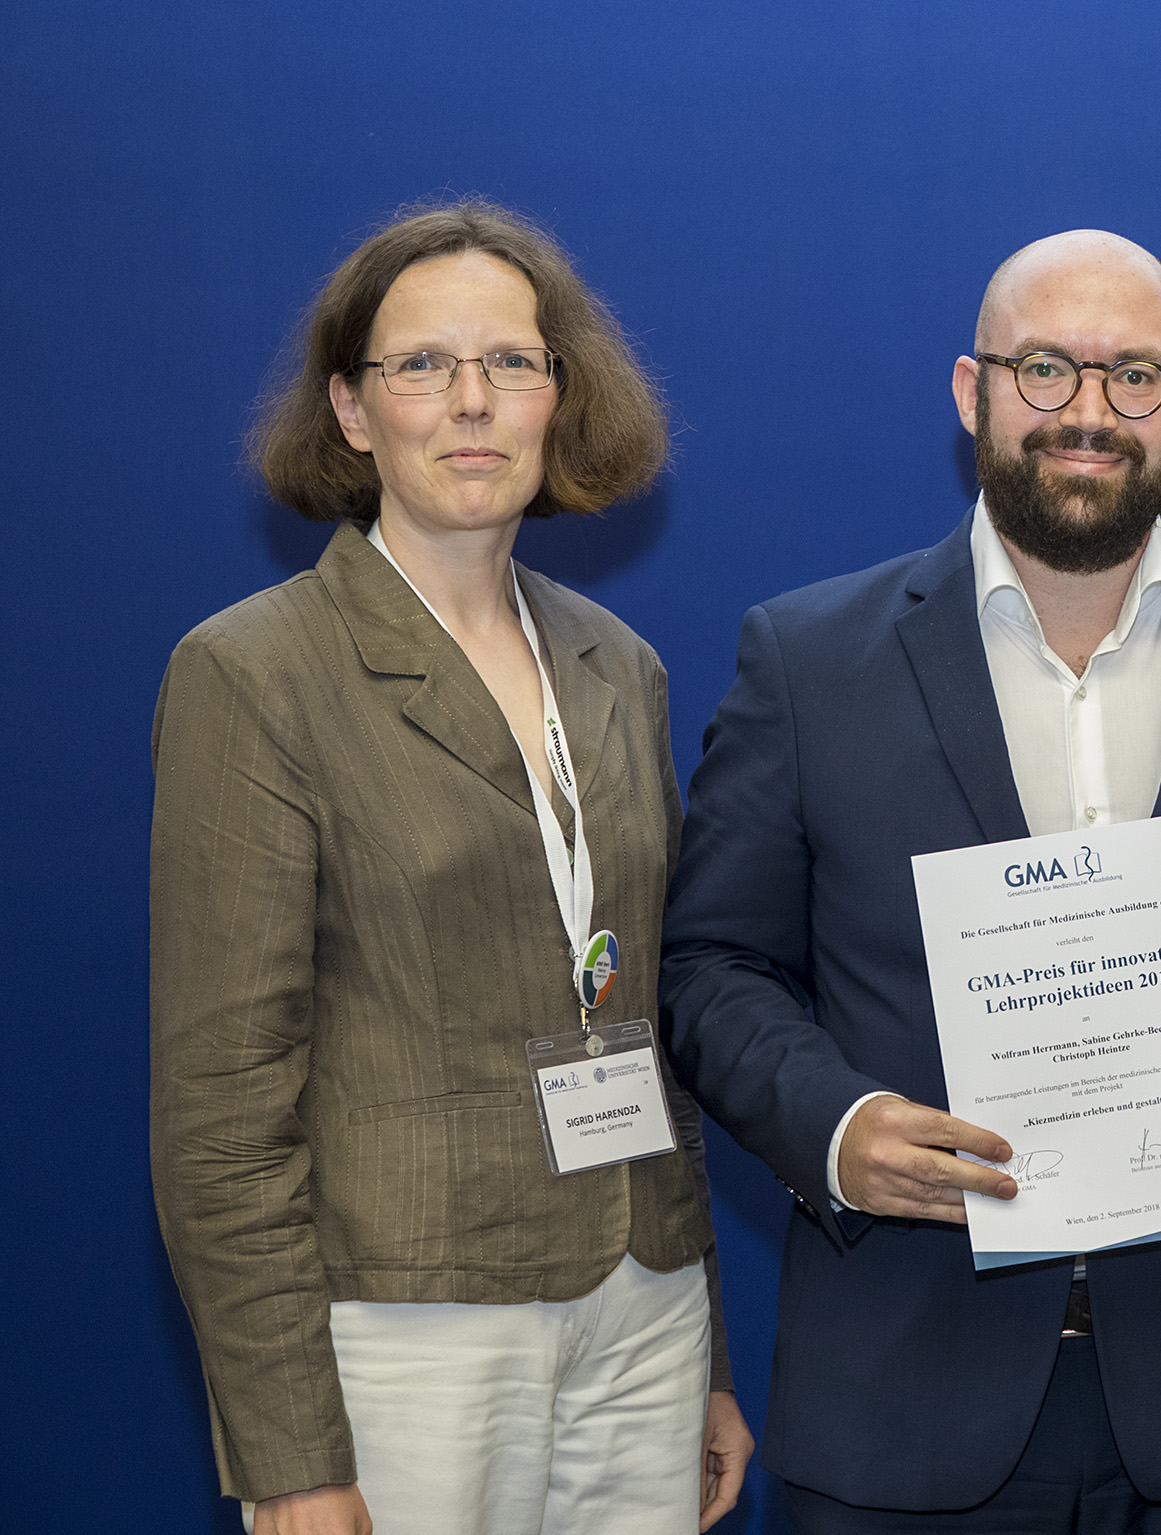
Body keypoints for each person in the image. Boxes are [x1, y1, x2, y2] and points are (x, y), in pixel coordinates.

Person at [660, 229, 1161, 1533]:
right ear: (971, 392)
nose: (1089, 410)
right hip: (902, 1400)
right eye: (1044, 369)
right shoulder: (806, 663)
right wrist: (837, 1129)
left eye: (1134, 375)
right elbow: (710, 969)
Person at [149, 198, 752, 1535]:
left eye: (512, 363)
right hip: (406, 1334)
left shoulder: (617, 666)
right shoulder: (255, 673)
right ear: (352, 410)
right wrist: (290, 1457)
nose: (472, 402)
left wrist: (703, 1349)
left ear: (558, 398)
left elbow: (642, 1028)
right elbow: (220, 1112)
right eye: (422, 364)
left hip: (640, 1311)